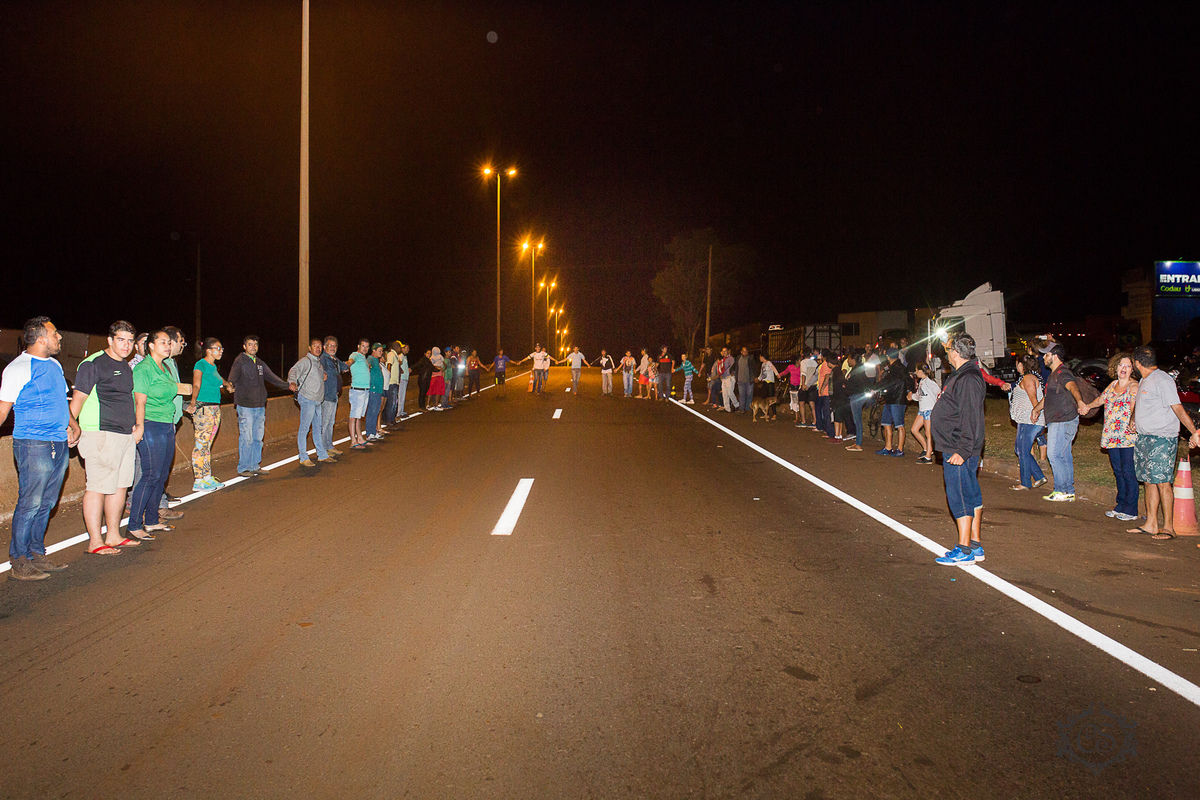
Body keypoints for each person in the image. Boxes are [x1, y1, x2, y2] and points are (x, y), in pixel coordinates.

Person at [0, 317, 78, 579]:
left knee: (47, 502)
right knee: (30, 503)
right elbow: (3, 408)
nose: (60, 338)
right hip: (32, 442)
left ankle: (36, 553)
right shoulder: (18, 368)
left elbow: (61, 401)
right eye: (55, 334)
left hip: (58, 441)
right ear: (41, 338)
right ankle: (19, 559)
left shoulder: (55, 365)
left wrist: (73, 424)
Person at [71, 321, 143, 556]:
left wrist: (134, 425)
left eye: (130, 341)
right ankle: (95, 541)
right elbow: (78, 399)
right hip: (99, 433)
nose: (126, 345)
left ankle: (113, 535)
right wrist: (71, 426)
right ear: (110, 340)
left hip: (124, 435)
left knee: (120, 486)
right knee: (98, 487)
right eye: (121, 340)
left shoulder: (126, 367)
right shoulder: (93, 364)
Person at [1127, 346, 1200, 540]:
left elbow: (1177, 408)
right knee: (1148, 481)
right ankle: (1151, 524)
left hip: (1161, 439)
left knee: (1162, 482)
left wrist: (1194, 432)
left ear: (1137, 363)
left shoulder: (1162, 380)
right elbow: (1143, 405)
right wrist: (1134, 419)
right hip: (1144, 438)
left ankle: (1168, 527)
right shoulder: (1145, 379)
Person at [931, 334, 988, 565]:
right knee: (970, 493)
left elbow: (970, 417)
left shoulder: (968, 378)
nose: (946, 354)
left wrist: (963, 450)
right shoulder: (965, 374)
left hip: (958, 446)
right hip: (958, 444)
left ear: (955, 352)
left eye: (948, 350)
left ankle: (964, 550)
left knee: (960, 495)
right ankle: (975, 545)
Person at [129, 329, 183, 540]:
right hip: (150, 423)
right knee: (150, 474)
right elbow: (139, 401)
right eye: (163, 342)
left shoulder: (165, 367)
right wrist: (139, 426)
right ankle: (134, 524)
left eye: (169, 343)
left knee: (161, 475)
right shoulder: (143, 369)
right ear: (150, 345)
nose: (168, 346)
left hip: (166, 423)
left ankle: (152, 520)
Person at [1080, 352, 1138, 519]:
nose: (1124, 369)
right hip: (1112, 434)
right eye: (1121, 365)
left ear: (1132, 369)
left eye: (1128, 366)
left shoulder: (1134, 386)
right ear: (1115, 367)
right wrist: (1087, 407)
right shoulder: (1112, 385)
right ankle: (1120, 505)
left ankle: (1131, 509)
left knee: (1128, 472)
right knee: (1118, 471)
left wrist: (1133, 420)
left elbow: (1135, 405)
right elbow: (1101, 400)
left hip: (1127, 436)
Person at [229, 334, 290, 477]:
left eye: (255, 344)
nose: (253, 347)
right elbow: (232, 378)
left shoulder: (260, 363)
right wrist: (230, 385)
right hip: (246, 406)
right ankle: (244, 467)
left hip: (260, 406)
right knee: (247, 437)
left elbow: (272, 377)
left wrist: (288, 386)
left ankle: (254, 465)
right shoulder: (240, 361)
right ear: (244, 346)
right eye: (250, 344)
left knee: (258, 438)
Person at [1031, 344, 1084, 502]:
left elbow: (1072, 386)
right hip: (1061, 419)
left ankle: (1060, 490)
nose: (1043, 358)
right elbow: (1048, 398)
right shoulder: (1054, 374)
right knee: (1064, 455)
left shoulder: (1062, 373)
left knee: (1053, 454)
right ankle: (1068, 490)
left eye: (1046, 355)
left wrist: (1080, 401)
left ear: (1054, 355)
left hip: (1062, 420)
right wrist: (1036, 409)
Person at [186, 337, 233, 491]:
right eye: (217, 348)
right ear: (208, 350)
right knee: (201, 445)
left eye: (221, 349)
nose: (220, 351)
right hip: (204, 408)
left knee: (207, 445)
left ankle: (206, 477)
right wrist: (193, 402)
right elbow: (196, 383)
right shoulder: (200, 365)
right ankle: (198, 480)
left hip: (214, 408)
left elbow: (220, 381)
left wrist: (228, 385)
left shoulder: (213, 367)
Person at [289, 338, 331, 466]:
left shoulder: (318, 362)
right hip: (308, 399)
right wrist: (292, 381)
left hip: (317, 400)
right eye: (315, 346)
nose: (317, 348)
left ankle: (322, 454)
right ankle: (303, 457)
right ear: (310, 348)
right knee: (305, 429)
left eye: (319, 346)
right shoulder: (306, 361)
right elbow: (294, 370)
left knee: (317, 429)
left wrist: (323, 375)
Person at [1007, 354, 1047, 489]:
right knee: (1019, 449)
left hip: (1029, 420)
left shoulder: (1028, 378)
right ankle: (1039, 476)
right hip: (1025, 420)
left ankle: (1025, 482)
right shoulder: (1027, 378)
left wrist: (1035, 413)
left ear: (1021, 364)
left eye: (1017, 363)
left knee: (1023, 450)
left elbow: (1033, 398)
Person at [876, 348, 908, 457]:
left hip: (897, 399)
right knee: (886, 423)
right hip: (892, 398)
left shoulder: (897, 368)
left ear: (888, 356)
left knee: (899, 425)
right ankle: (888, 447)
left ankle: (900, 449)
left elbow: (890, 382)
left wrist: (877, 386)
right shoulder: (895, 367)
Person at [320, 336, 349, 454]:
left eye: (334, 346)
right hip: (327, 395)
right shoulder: (324, 359)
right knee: (325, 422)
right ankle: (322, 449)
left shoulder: (335, 360)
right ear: (324, 347)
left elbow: (345, 366)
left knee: (331, 422)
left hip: (334, 395)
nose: (332, 348)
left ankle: (329, 446)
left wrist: (353, 360)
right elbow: (321, 372)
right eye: (330, 346)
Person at [909, 364, 940, 464]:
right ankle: (927, 449)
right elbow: (919, 396)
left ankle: (928, 457)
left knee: (928, 433)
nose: (916, 372)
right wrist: (911, 396)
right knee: (914, 429)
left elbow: (938, 393)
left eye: (917, 371)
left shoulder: (930, 382)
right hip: (922, 410)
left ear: (922, 371)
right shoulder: (922, 382)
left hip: (929, 409)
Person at [846, 351, 875, 452]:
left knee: (857, 420)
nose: (848, 361)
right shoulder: (857, 369)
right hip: (856, 396)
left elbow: (863, 381)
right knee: (856, 419)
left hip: (857, 396)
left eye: (849, 359)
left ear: (853, 360)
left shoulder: (856, 370)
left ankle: (858, 444)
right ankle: (857, 442)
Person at [346, 338, 372, 442]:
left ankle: (360, 438)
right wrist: (345, 365)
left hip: (365, 390)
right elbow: (350, 362)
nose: (365, 348)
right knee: (353, 416)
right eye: (363, 346)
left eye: (367, 346)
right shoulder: (355, 355)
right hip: (357, 390)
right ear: (358, 346)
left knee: (359, 416)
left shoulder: (363, 358)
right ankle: (353, 440)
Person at [365, 343, 386, 439]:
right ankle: (369, 433)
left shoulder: (376, 360)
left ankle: (373, 431)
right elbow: (367, 366)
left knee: (376, 410)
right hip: (373, 389)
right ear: (373, 350)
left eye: (382, 350)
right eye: (379, 350)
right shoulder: (371, 359)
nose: (381, 353)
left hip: (378, 389)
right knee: (372, 411)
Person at [779, 356, 804, 424]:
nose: (801, 361)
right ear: (796, 361)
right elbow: (785, 372)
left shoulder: (801, 367)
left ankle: (801, 417)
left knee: (800, 401)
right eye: (800, 360)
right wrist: (780, 375)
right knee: (794, 401)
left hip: (799, 385)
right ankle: (796, 416)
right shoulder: (790, 367)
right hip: (793, 385)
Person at [816, 350, 835, 437]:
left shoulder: (825, 365)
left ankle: (830, 432)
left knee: (827, 413)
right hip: (825, 392)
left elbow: (826, 377)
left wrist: (822, 388)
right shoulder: (825, 365)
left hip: (826, 392)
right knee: (826, 412)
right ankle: (827, 430)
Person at [798, 349, 819, 427]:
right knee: (812, 404)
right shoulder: (815, 362)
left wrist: (803, 384)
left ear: (803, 354)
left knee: (801, 403)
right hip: (813, 385)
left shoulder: (803, 362)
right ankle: (815, 421)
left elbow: (803, 373)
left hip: (806, 384)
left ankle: (803, 421)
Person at [734, 346, 754, 414]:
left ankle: (748, 409)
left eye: (746, 351)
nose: (745, 353)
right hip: (740, 380)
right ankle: (741, 409)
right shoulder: (738, 358)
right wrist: (736, 377)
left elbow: (754, 368)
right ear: (741, 352)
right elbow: (736, 368)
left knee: (749, 395)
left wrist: (753, 378)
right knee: (741, 395)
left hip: (748, 380)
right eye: (744, 351)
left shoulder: (750, 359)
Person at [717, 347, 737, 412]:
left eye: (725, 351)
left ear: (728, 351)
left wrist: (732, 374)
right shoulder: (723, 359)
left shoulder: (730, 358)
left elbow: (733, 367)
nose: (724, 352)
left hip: (729, 377)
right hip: (724, 378)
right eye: (723, 351)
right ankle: (727, 408)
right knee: (724, 394)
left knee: (730, 392)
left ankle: (736, 404)